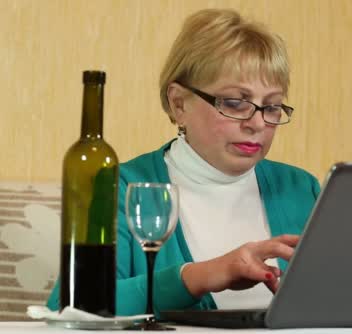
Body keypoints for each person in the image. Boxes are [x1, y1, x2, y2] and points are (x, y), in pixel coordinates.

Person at [47, 8, 320, 316]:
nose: (257, 123)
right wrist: (200, 276)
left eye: (271, 107)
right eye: (235, 103)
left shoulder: (301, 187)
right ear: (179, 104)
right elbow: (70, 304)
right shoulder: (123, 185)